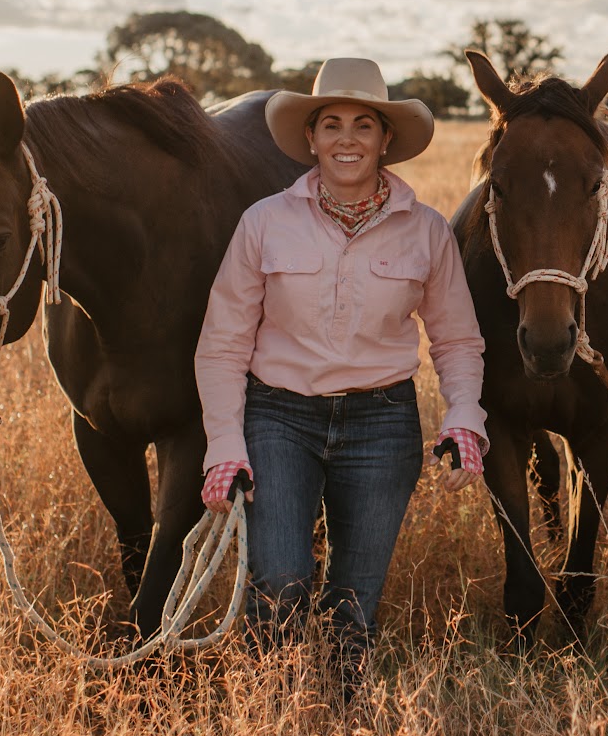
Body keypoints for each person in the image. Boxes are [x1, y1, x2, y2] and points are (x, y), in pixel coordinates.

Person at [194, 57, 487, 687]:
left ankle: (343, 706)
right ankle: (272, 709)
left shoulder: (428, 232)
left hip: (382, 425)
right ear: (311, 137)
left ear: (385, 139)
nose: (346, 139)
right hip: (278, 417)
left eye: (363, 125)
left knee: (355, 598)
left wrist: (464, 414)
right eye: (331, 124)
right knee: (279, 582)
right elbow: (222, 342)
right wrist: (224, 442)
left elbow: (458, 339)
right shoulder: (264, 222)